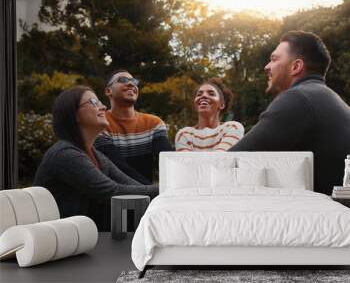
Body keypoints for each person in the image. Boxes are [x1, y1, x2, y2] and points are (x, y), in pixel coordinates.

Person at [229, 30, 350, 231]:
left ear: (296, 66)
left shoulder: (299, 99)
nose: (267, 66)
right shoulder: (318, 95)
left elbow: (233, 161)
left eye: (274, 59)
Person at [34, 86, 158, 231]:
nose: (103, 106)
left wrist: (172, 191)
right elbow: (114, 192)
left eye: (100, 102)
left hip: (86, 238)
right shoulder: (65, 154)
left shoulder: (95, 155)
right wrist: (169, 191)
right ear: (74, 115)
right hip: (61, 243)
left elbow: (132, 186)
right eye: (93, 102)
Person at [94, 70, 172, 184]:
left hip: (147, 195)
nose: (131, 84)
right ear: (108, 91)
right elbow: (118, 168)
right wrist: (151, 191)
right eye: (123, 80)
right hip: (113, 197)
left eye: (134, 81)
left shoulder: (154, 123)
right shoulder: (100, 123)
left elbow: (167, 162)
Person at [175, 78, 244, 151]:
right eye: (199, 94)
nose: (203, 96)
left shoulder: (232, 128)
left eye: (211, 94)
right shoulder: (184, 134)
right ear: (195, 105)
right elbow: (185, 162)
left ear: (221, 105)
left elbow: (220, 158)